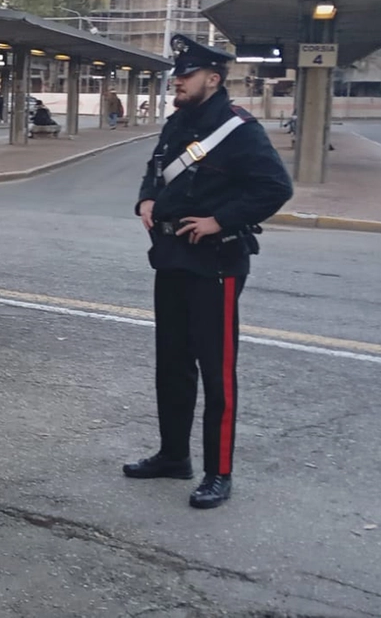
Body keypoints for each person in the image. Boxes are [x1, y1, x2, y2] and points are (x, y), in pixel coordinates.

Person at [125, 35, 293, 509]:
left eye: (187, 74)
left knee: (216, 373)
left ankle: (219, 472)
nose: (177, 80)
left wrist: (221, 220)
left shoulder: (237, 128)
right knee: (171, 364)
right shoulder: (180, 121)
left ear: (213, 79)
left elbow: (275, 188)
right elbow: (156, 169)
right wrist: (146, 199)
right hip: (173, 255)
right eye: (178, 73)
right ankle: (174, 455)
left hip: (216, 263)